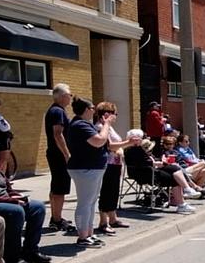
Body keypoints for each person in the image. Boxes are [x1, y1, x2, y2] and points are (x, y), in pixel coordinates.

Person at [64, 97, 111, 248]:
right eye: (92, 108)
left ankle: (89, 233)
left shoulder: (83, 124)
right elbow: (98, 141)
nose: (94, 111)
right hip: (85, 168)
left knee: (91, 202)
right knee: (85, 203)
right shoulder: (80, 125)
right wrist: (107, 124)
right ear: (86, 109)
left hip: (92, 168)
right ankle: (83, 236)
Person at [95, 104, 142, 236]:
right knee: (106, 191)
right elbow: (110, 146)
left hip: (115, 163)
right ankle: (103, 222)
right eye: (114, 113)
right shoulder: (100, 127)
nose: (116, 116)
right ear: (107, 114)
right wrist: (129, 143)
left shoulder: (109, 128)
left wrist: (123, 147)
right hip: (107, 164)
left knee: (113, 191)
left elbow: (117, 146)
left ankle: (113, 218)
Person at [124, 138, 205, 213]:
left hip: (147, 173)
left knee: (174, 169)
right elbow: (146, 164)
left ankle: (186, 192)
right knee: (174, 175)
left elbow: (151, 162)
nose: (151, 151)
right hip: (148, 175)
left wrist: (160, 161)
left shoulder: (132, 152)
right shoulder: (138, 153)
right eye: (149, 150)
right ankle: (183, 199)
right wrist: (159, 163)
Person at [45, 83, 76, 233]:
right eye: (70, 95)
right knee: (60, 188)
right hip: (58, 155)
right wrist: (67, 154)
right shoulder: (57, 111)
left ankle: (56, 217)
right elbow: (58, 133)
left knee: (57, 187)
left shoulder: (55, 110)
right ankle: (56, 220)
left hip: (54, 153)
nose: (71, 98)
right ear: (63, 96)